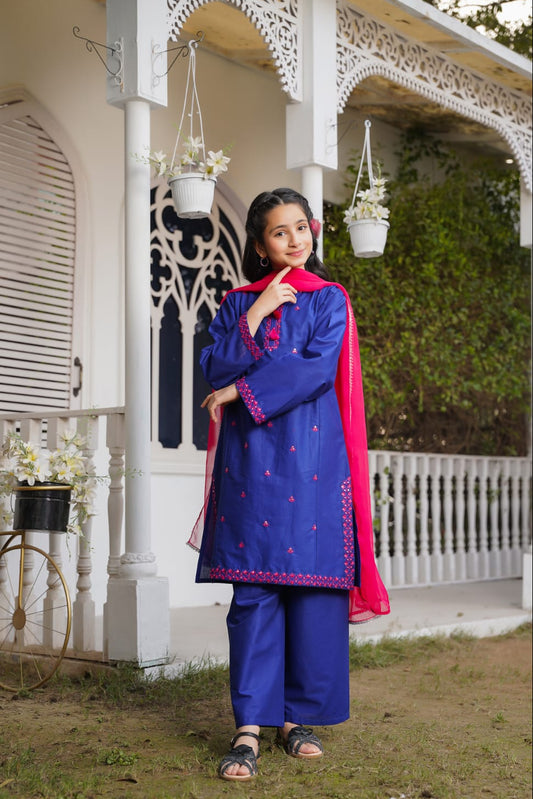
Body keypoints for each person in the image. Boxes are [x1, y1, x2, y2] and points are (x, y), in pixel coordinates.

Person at [190, 187, 390, 781]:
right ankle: (249, 727)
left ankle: (295, 719)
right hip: (251, 464)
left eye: (301, 227)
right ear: (259, 245)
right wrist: (255, 312)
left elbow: (313, 369)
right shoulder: (236, 303)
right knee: (253, 594)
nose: (295, 240)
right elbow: (213, 365)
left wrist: (239, 392)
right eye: (280, 232)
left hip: (315, 466)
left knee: (311, 591)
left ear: (315, 229)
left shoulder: (330, 299)